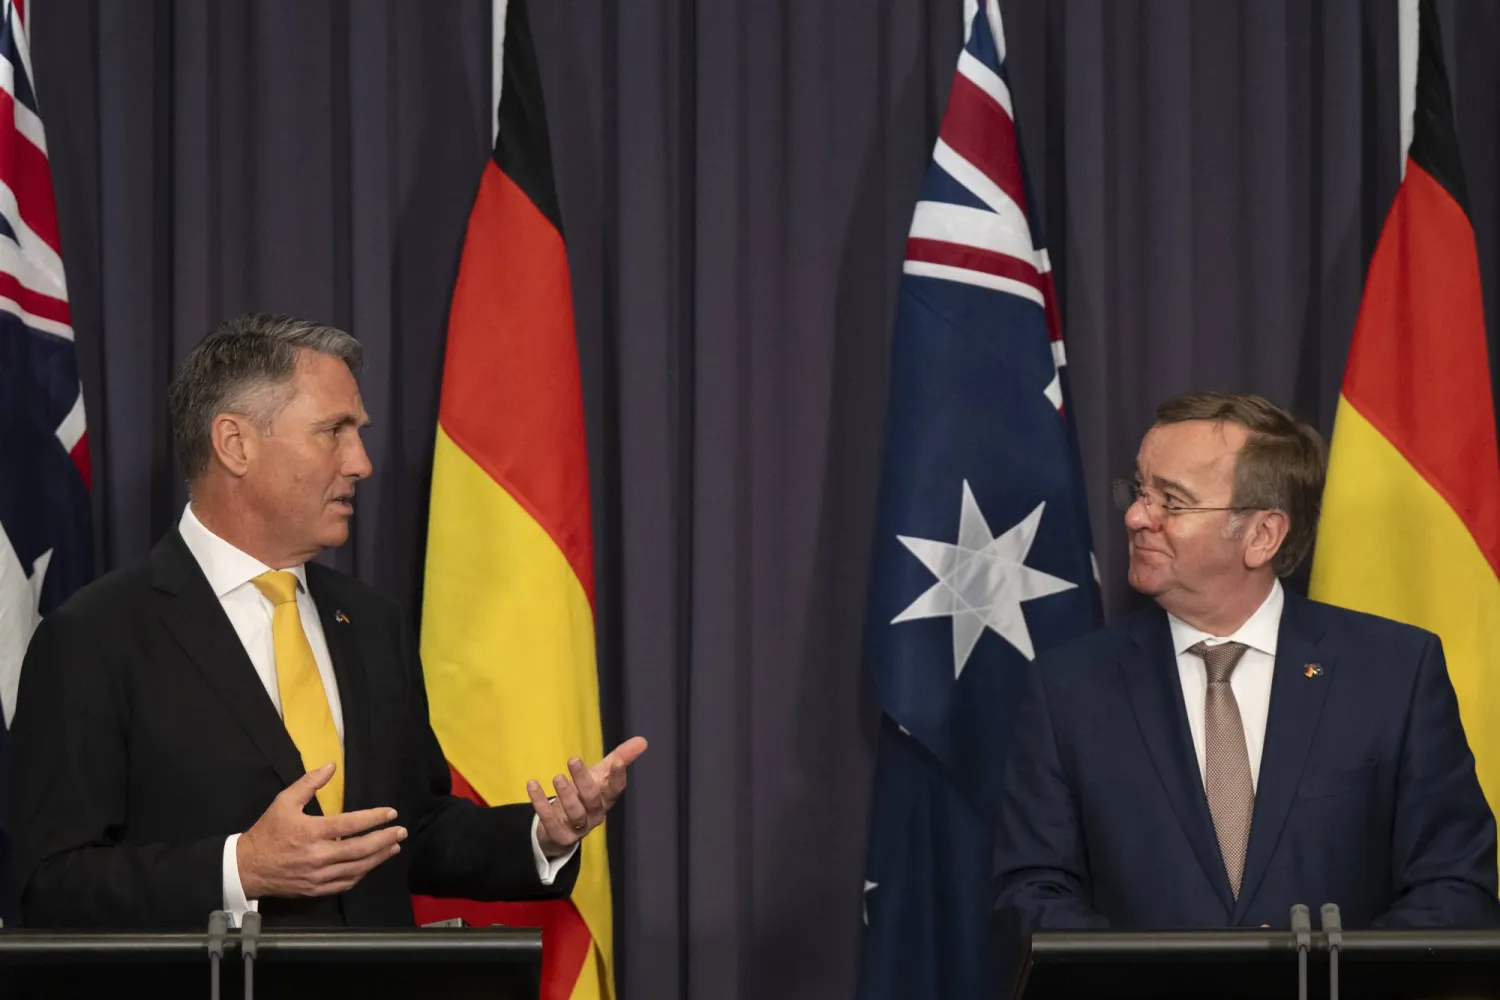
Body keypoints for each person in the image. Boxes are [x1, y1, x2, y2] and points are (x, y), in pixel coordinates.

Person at [8, 313, 647, 928]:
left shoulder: (371, 622)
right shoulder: (95, 637)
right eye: (333, 430)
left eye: (358, 432)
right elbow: (48, 883)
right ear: (235, 444)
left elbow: (409, 827)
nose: (360, 462)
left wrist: (543, 834)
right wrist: (240, 869)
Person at [994, 390, 1497, 957]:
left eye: (1172, 501)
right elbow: (1031, 894)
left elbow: (1455, 886)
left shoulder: (1394, 673)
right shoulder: (1068, 689)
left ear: (1261, 535)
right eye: (1140, 491)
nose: (1137, 517)